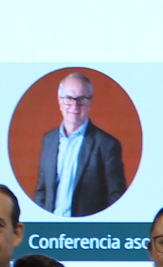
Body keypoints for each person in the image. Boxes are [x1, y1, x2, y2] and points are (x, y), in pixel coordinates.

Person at [31, 71, 130, 217]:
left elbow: (116, 196)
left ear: (90, 103)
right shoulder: (49, 140)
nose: (74, 105)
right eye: (68, 98)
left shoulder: (107, 145)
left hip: (87, 230)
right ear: (59, 101)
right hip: (51, 228)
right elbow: (42, 190)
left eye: (81, 99)